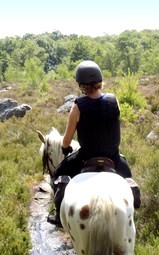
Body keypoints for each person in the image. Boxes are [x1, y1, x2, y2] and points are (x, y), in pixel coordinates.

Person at [48, 60, 136, 225]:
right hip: (113, 157)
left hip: (86, 157)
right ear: (100, 80)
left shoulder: (78, 106)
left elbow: (66, 141)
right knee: (128, 177)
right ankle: (134, 202)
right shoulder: (113, 100)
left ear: (81, 85)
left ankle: (58, 215)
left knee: (58, 174)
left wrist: (65, 148)